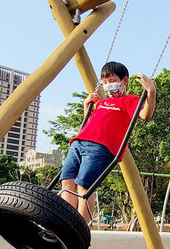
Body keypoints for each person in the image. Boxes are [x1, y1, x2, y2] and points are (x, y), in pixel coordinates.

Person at [59, 61, 156, 222]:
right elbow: (90, 122)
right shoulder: (102, 103)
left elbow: (146, 115)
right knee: (67, 181)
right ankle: (62, 221)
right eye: (104, 82)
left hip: (101, 147)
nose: (108, 86)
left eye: (112, 81)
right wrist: (87, 106)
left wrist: (151, 92)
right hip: (79, 142)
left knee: (85, 186)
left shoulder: (129, 100)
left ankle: (79, 225)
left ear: (124, 81)